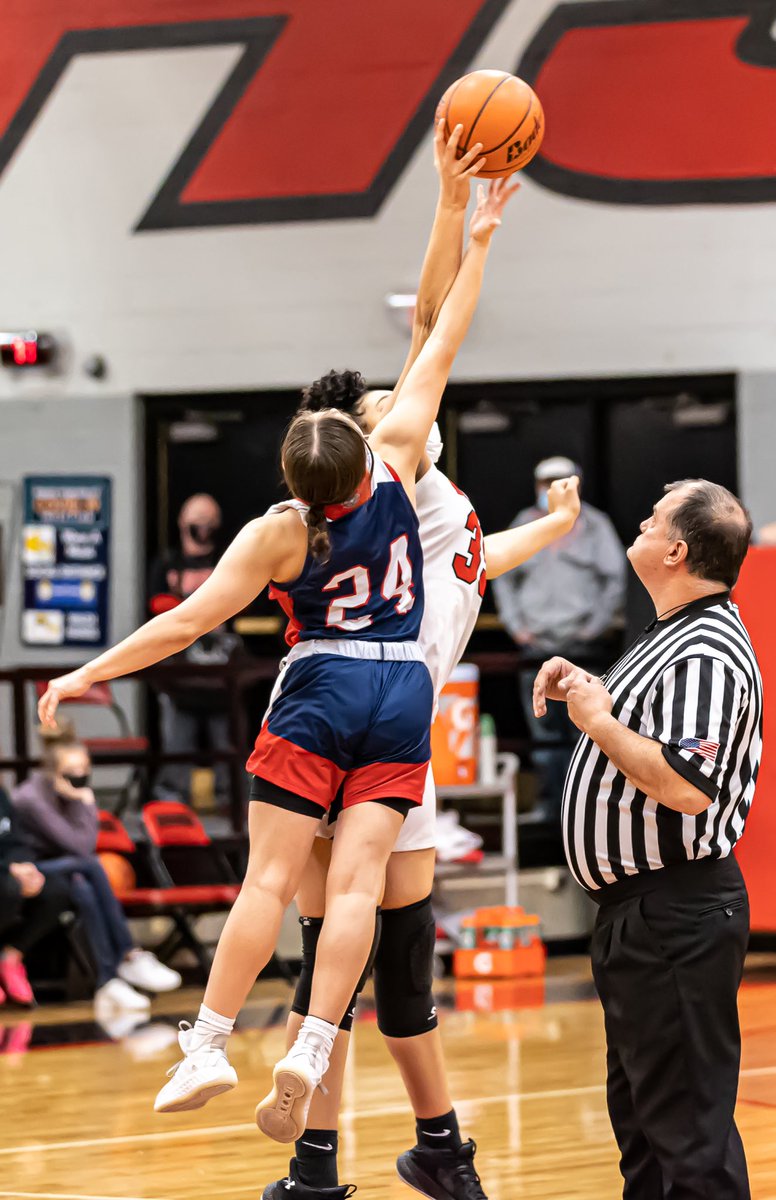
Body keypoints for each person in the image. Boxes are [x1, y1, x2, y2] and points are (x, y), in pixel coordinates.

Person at [38, 170, 512, 1144]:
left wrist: (89, 673)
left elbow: (183, 628)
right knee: (357, 894)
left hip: (322, 681)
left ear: (295, 475)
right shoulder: (401, 461)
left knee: (271, 882)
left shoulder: (276, 534)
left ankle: (211, 1040)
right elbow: (440, 335)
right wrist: (478, 233)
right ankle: (311, 1041)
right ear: (365, 447)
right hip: (403, 691)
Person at [260, 120, 579, 1200]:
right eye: (381, 407)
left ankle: (350, 1163)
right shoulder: (397, 484)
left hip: (371, 730)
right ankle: (404, 1156)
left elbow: (488, 555)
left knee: (360, 972)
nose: (399, 404)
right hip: (369, 721)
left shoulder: (442, 506)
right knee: (359, 972)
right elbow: (436, 329)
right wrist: (455, 214)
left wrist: (552, 529)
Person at [534, 479, 762, 1200]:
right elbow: (648, 728)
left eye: (654, 518)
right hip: (641, 916)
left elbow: (688, 785)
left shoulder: (705, 650)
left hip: (676, 913)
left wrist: (599, 721)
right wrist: (587, 686)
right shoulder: (671, 635)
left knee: (688, 1133)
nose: (638, 521)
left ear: (677, 549)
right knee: (644, 1127)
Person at [11, 724, 181, 1007]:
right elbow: (81, 846)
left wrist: (78, 802)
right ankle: (128, 954)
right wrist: (87, 804)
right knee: (89, 865)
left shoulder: (67, 794)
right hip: (30, 871)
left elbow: (82, 846)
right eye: (72, 772)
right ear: (54, 772)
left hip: (67, 872)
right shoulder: (31, 798)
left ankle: (108, 979)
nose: (80, 778)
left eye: (84, 770)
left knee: (83, 887)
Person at [494, 457, 626, 818]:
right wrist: (514, 624)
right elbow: (500, 574)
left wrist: (594, 626)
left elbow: (615, 579)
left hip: (582, 646)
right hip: (534, 645)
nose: (551, 487)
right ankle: (551, 807)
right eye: (545, 481)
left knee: (590, 728)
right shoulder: (524, 523)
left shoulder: (596, 526)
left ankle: (590, 811)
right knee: (542, 732)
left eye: (560, 480)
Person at [147, 492, 238, 801]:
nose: (203, 528)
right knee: (176, 750)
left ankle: (235, 810)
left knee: (229, 750)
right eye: (196, 522)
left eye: (209, 522)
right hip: (178, 680)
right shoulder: (167, 563)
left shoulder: (230, 561)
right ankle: (172, 815)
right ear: (182, 523)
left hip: (223, 680)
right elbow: (154, 608)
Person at [0, 785, 73, 1007]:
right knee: (9, 889)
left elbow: (16, 841)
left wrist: (24, 866)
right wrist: (8, 869)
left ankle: (10, 957)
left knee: (56, 890)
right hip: (4, 874)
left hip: (10, 871)